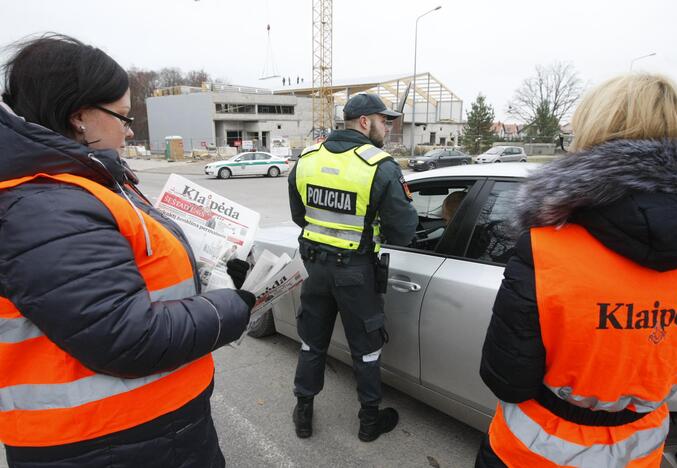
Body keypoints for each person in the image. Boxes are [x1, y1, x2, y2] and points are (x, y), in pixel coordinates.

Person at [0, 34, 256, 468]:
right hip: (108, 442)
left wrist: (210, 270)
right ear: (79, 116)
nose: (130, 129)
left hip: (143, 429)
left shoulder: (80, 184)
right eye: (122, 115)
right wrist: (231, 307)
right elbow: (125, 336)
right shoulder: (47, 205)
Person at [477, 73, 677, 467]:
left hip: (531, 454)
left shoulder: (546, 248)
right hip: (640, 452)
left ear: (593, 134)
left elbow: (507, 378)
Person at [288, 93, 418, 442]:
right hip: (356, 272)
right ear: (364, 122)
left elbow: (299, 216)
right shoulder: (380, 165)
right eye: (385, 120)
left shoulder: (307, 158)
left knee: (311, 344)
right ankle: (368, 422)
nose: (389, 128)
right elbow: (404, 232)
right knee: (366, 349)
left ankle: (303, 414)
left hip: (315, 268)